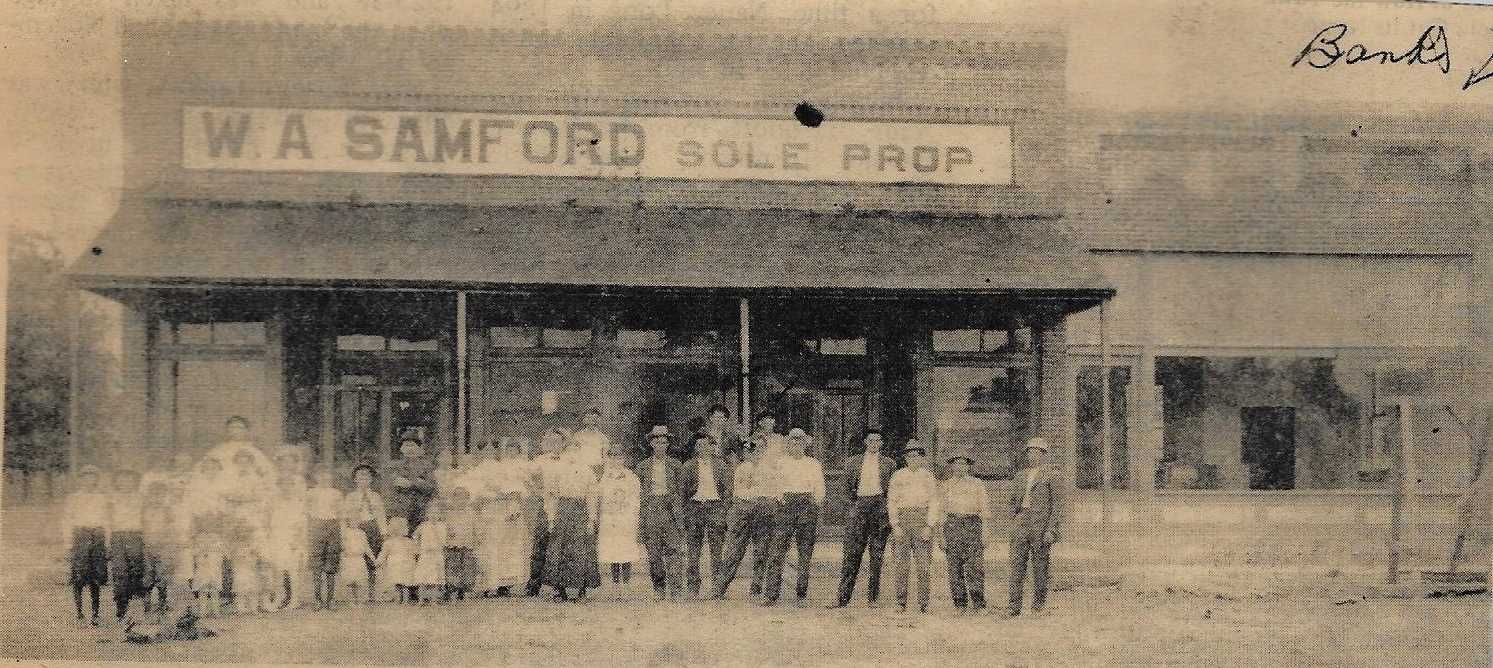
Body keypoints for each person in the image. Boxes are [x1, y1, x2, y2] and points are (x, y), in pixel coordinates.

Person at [830, 430, 896, 609]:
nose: (874, 443)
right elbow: (843, 489)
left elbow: (893, 490)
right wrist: (852, 507)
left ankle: (873, 598)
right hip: (859, 507)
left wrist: (887, 510)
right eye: (871, 440)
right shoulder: (852, 462)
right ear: (865, 442)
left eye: (877, 440)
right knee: (852, 553)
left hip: (880, 509)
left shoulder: (889, 463)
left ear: (881, 443)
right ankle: (842, 598)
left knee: (877, 555)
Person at [761, 427, 824, 608]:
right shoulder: (780, 463)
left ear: (805, 444)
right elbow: (773, 485)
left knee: (805, 552)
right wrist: (780, 501)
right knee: (777, 551)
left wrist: (814, 503)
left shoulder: (813, 464)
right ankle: (771, 595)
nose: (796, 444)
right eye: (793, 441)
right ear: (788, 444)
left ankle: (801, 594)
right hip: (786, 507)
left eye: (800, 441)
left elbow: (819, 487)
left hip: (806, 506)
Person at [707, 437, 776, 600]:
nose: (756, 452)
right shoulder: (742, 468)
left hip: (763, 511)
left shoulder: (770, 469)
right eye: (752, 449)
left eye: (760, 448)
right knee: (733, 551)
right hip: (742, 511)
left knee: (761, 551)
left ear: (765, 450)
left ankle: (756, 589)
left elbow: (772, 491)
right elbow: (740, 491)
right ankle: (719, 588)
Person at [542, 431, 601, 602]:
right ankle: (559, 590)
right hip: (562, 510)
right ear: (565, 451)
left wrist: (591, 519)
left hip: (581, 510)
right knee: (559, 549)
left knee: (581, 549)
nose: (572, 454)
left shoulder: (587, 471)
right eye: (569, 450)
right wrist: (551, 518)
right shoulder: (556, 470)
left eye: (576, 450)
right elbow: (551, 495)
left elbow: (592, 496)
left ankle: (581, 589)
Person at [1007, 437, 1063, 617]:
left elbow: (1057, 505)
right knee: (1016, 565)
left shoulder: (1052, 475)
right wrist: (1015, 519)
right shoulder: (1020, 475)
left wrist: (1051, 529)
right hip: (1021, 522)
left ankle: (1038, 606)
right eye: (1030, 452)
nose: (1033, 456)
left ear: (1044, 455)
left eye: (1037, 452)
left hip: (1041, 525)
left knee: (1040, 567)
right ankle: (1014, 607)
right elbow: (1013, 501)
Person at [634, 426, 687, 601]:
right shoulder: (642, 466)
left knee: (674, 550)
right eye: (657, 442)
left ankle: (676, 589)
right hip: (651, 508)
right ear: (651, 444)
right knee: (654, 553)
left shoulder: (676, 465)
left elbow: (681, 490)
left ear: (668, 445)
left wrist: (678, 510)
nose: (660, 446)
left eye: (664, 442)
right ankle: (659, 587)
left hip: (670, 509)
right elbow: (638, 492)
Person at [472, 441, 530, 597]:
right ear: (481, 452)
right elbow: (473, 493)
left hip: (503, 511)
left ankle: (503, 584)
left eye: (492, 449)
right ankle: (488, 584)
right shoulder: (477, 470)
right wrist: (486, 496)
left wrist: (508, 500)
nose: (489, 452)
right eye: (486, 450)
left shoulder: (504, 467)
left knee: (505, 547)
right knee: (487, 547)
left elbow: (516, 489)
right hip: (487, 511)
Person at [887, 442, 937, 614]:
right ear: (905, 458)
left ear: (922, 458)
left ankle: (924, 603)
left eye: (916, 456)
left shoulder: (928, 476)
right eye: (909, 456)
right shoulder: (898, 476)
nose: (913, 459)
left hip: (922, 520)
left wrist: (929, 526)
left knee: (923, 565)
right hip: (903, 520)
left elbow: (934, 502)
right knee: (901, 565)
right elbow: (892, 501)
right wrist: (895, 525)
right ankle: (901, 602)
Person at [682, 432, 731, 597]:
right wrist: (686, 512)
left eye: (706, 445)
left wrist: (723, 511)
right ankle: (693, 587)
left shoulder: (721, 466)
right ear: (696, 448)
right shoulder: (688, 466)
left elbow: (728, 491)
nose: (703, 448)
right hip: (695, 509)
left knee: (717, 551)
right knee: (693, 551)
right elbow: (682, 492)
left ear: (712, 447)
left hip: (715, 509)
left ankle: (717, 588)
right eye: (699, 445)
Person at [940, 453, 991, 614]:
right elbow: (941, 512)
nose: (960, 467)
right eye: (956, 464)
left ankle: (978, 603)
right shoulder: (946, 485)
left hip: (972, 524)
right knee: (954, 566)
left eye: (963, 464)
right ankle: (960, 604)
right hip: (952, 525)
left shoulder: (977, 484)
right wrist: (941, 535)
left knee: (975, 566)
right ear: (952, 466)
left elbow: (984, 510)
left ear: (968, 466)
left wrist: (985, 532)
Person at [63, 464, 110, 626]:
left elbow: (107, 521)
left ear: (96, 480)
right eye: (85, 477)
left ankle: (95, 614)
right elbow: (67, 521)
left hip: (98, 536)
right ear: (80, 479)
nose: (89, 480)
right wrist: (68, 544)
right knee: (79, 576)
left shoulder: (102, 498)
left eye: (92, 477)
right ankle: (79, 614)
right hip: (80, 536)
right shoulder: (73, 498)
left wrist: (106, 542)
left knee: (96, 577)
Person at [525, 429, 569, 597]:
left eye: (558, 441)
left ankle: (559, 586)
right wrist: (538, 491)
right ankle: (534, 584)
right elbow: (526, 477)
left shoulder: (570, 460)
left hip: (564, 507)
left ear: (564, 443)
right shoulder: (540, 460)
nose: (555, 444)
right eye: (551, 441)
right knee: (540, 544)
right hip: (545, 506)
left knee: (561, 546)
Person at [105, 468, 148, 622]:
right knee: (120, 573)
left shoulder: (140, 498)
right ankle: (121, 609)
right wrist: (108, 542)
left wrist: (145, 538)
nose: (126, 482)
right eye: (122, 479)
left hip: (136, 536)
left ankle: (136, 610)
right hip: (118, 537)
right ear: (117, 481)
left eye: (129, 479)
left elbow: (145, 519)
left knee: (136, 571)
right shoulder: (112, 498)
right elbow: (108, 521)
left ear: (134, 481)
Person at [595, 446, 642, 591]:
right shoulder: (605, 477)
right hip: (610, 519)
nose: (616, 460)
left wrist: (631, 514)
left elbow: (636, 499)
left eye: (619, 457)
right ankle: (615, 585)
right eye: (613, 457)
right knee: (613, 550)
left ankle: (626, 585)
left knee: (625, 549)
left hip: (625, 518)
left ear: (624, 459)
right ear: (609, 459)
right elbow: (600, 496)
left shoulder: (631, 477)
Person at [265, 466, 309, 611]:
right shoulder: (274, 502)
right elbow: (269, 522)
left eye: (289, 485)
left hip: (292, 538)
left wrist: (298, 541)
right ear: (279, 487)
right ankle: (279, 598)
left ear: (293, 487)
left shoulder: (298, 503)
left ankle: (295, 600)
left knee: (292, 570)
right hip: (276, 538)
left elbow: (302, 524)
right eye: (283, 485)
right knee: (277, 570)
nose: (286, 488)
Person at [343, 463, 388, 602]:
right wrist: (346, 532)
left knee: (372, 558)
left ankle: (372, 592)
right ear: (355, 480)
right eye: (360, 478)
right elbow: (345, 515)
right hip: (356, 528)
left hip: (372, 527)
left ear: (371, 480)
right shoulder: (351, 497)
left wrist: (383, 532)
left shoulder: (375, 496)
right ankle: (356, 594)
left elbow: (381, 515)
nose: (363, 480)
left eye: (367, 477)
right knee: (357, 561)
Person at [140, 478, 182, 621]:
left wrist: (170, 547)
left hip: (163, 548)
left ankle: (162, 610)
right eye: (154, 494)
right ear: (149, 495)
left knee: (162, 579)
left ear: (164, 495)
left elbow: (171, 530)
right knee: (147, 580)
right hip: (147, 548)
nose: (156, 497)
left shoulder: (167, 511)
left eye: (160, 494)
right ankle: (147, 611)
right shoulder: (144, 510)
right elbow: (141, 529)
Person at [306, 466, 344, 609]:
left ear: (331, 477)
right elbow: (306, 512)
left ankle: (330, 599)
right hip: (316, 526)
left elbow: (341, 514)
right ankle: (317, 599)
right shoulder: (310, 493)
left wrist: (342, 532)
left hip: (333, 526)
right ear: (316, 477)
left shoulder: (336, 493)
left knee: (331, 563)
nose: (324, 478)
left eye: (327, 475)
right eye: (321, 475)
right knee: (316, 564)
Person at [388, 438, 438, 527]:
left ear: (418, 448)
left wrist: (413, 483)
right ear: (401, 449)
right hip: (402, 509)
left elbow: (432, 487)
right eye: (406, 446)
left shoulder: (426, 466)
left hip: (421, 509)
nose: (409, 449)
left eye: (412, 445)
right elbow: (392, 486)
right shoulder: (396, 466)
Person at [443, 485, 478, 601]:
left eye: (463, 498)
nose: (460, 501)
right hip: (453, 546)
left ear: (468, 500)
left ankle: (465, 590)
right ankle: (453, 589)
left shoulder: (472, 513)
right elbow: (445, 528)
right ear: (453, 500)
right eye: (457, 498)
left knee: (468, 568)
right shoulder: (449, 514)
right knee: (453, 567)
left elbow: (476, 528)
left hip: (468, 545)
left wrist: (477, 539)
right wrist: (448, 533)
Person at [377, 516, 418, 604]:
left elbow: (415, 551)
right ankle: (399, 599)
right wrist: (379, 561)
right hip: (395, 565)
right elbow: (383, 553)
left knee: (405, 584)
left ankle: (405, 600)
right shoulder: (389, 542)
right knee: (398, 583)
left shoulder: (409, 541)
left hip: (405, 564)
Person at [338, 511, 376, 605]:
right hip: (349, 559)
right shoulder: (345, 532)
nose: (354, 522)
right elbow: (342, 545)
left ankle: (359, 600)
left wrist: (373, 559)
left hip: (359, 559)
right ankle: (350, 600)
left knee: (359, 582)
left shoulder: (362, 533)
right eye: (352, 520)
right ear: (348, 521)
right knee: (349, 581)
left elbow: (366, 547)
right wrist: (345, 552)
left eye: (357, 520)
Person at [571, 408, 612, 475]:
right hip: (581, 469)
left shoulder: (602, 438)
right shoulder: (578, 436)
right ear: (584, 420)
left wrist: (606, 471)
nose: (592, 420)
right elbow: (573, 454)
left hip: (597, 469)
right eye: (589, 417)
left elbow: (605, 457)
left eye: (595, 418)